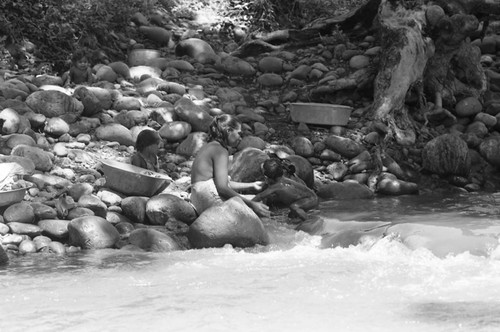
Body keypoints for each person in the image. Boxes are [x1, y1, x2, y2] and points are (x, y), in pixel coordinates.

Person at [190, 114, 270, 217]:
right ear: (228, 131)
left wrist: (251, 185)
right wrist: (252, 204)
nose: (240, 138)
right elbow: (222, 188)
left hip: (197, 199)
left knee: (255, 201)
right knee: (258, 204)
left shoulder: (210, 146)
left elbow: (222, 183)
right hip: (208, 199)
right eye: (239, 133)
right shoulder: (221, 151)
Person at [252, 158, 318, 221]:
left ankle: (309, 222)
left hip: (310, 200)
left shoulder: (276, 187)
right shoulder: (284, 180)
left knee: (294, 207)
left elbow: (260, 196)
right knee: (290, 216)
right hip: (311, 197)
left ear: (266, 177)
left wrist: (247, 204)